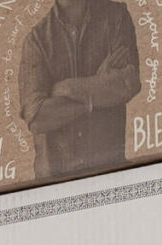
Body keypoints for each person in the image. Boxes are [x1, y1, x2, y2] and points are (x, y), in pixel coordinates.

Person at [18, 0, 138, 182]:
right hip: (54, 186)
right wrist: (96, 90)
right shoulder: (36, 40)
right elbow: (37, 118)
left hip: (111, 176)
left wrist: (64, 88)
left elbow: (127, 84)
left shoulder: (116, 16)